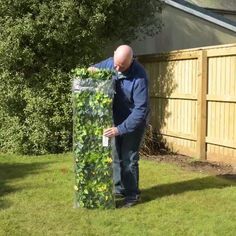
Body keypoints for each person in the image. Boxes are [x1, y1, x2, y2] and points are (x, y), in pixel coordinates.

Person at [89, 45, 149, 207]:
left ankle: (132, 195)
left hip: (132, 123)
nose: (116, 68)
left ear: (132, 60)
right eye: (115, 64)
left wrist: (120, 129)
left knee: (129, 159)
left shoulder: (139, 77)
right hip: (115, 119)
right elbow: (92, 69)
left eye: (121, 66)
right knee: (115, 156)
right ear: (114, 55)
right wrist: (92, 70)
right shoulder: (110, 63)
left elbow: (140, 110)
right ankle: (118, 189)